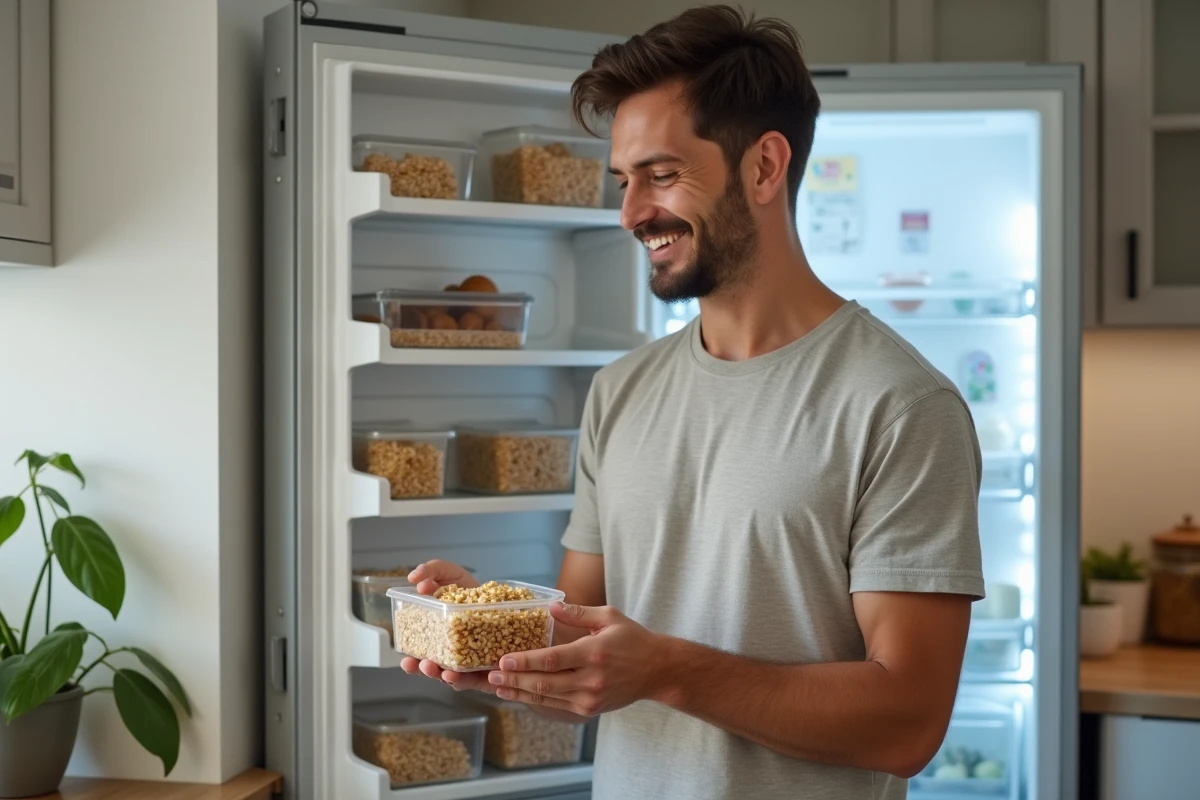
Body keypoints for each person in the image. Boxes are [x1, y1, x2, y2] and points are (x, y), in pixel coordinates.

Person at [401, 5, 984, 798]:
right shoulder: (621, 392)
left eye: (662, 174)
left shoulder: (900, 405)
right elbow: (584, 643)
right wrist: (483, 626)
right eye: (624, 180)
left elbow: (907, 724)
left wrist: (668, 671)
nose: (631, 213)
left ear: (765, 167)